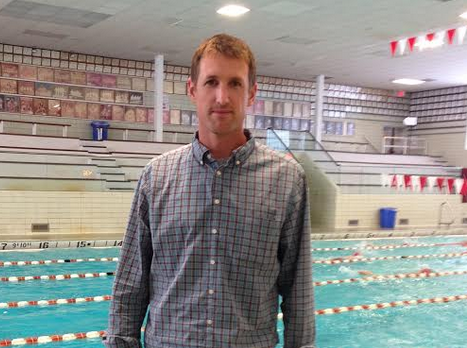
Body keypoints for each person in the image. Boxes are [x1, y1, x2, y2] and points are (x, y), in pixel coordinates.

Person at [104, 33, 316, 348]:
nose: (222, 97)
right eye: (211, 82)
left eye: (235, 84)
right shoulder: (156, 177)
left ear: (251, 93)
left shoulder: (287, 180)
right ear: (192, 90)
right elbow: (130, 283)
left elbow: (297, 288)